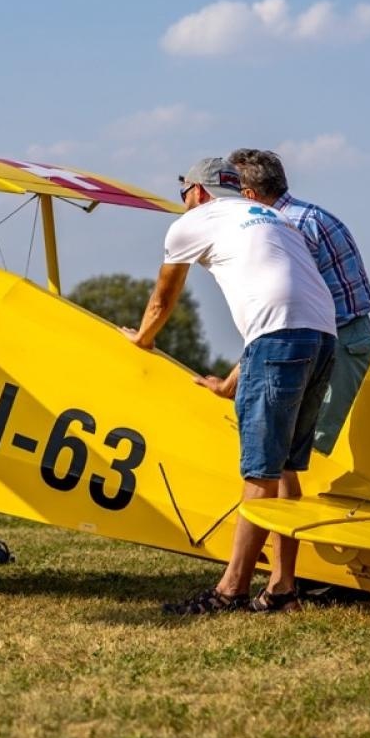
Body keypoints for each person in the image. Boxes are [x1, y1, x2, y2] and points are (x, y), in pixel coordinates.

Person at [123, 158, 336, 614]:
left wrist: (142, 339)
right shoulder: (271, 218)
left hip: (281, 338)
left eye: (184, 191)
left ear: (198, 192)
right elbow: (284, 304)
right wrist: (232, 383)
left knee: (259, 471)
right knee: (285, 470)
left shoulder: (193, 222)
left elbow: (163, 298)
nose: (184, 200)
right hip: (322, 338)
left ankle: (230, 591)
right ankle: (282, 589)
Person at [227, 148, 370, 453]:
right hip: (344, 337)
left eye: (232, 191)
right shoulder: (310, 214)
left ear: (250, 195)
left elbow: (287, 309)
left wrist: (236, 375)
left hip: (335, 344)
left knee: (311, 445)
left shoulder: (282, 228)